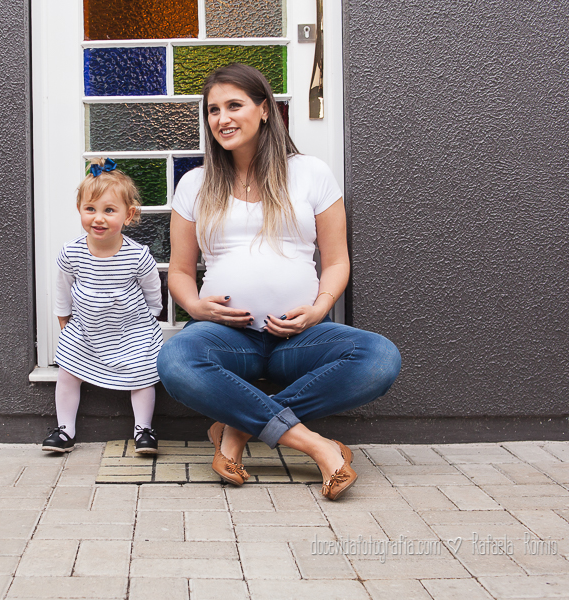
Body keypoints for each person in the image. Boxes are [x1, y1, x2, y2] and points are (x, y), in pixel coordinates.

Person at [157, 64, 401, 500]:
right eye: (213, 110)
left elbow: (337, 260)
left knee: (380, 357)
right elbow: (179, 271)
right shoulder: (194, 184)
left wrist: (320, 307)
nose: (222, 118)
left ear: (265, 109)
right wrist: (194, 307)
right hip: (228, 338)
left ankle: (235, 430)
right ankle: (317, 447)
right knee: (176, 358)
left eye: (234, 105)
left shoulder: (310, 173)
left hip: (299, 338)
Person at [42, 158, 164, 455]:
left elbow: (153, 290)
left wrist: (151, 318)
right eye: (90, 209)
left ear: (129, 214)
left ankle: (143, 429)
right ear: (80, 210)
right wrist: (64, 320)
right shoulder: (72, 252)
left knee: (143, 373)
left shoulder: (137, 255)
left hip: (131, 330)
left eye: (109, 210)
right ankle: (65, 429)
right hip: (87, 330)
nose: (98, 218)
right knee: (68, 370)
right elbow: (62, 288)